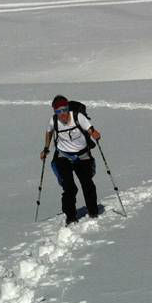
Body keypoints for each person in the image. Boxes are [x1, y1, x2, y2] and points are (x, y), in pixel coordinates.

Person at [40, 95, 102, 225]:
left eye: (64, 110)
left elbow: (90, 129)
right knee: (69, 187)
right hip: (63, 156)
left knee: (87, 184)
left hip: (82, 156)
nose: (62, 114)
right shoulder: (54, 120)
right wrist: (46, 148)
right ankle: (71, 217)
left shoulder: (78, 117)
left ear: (68, 108)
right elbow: (49, 132)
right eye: (58, 111)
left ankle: (93, 212)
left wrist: (94, 133)